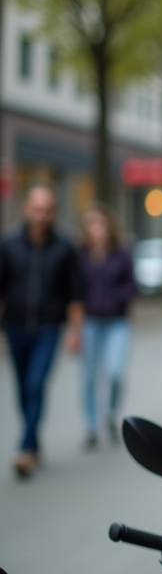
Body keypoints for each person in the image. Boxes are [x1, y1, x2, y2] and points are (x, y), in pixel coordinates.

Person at [0, 185, 83, 477]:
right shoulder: (9, 244)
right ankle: (33, 441)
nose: (41, 215)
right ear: (26, 209)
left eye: (47, 210)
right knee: (23, 387)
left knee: (36, 384)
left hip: (49, 326)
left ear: (54, 213)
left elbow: (74, 292)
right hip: (15, 325)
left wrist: (75, 331)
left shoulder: (64, 247)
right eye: (36, 209)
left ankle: (25, 447)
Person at [77, 202, 137, 448]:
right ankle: (91, 426)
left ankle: (110, 414)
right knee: (89, 376)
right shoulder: (79, 255)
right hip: (90, 321)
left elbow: (133, 285)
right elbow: (72, 287)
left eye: (100, 224)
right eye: (91, 224)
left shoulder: (121, 254)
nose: (96, 229)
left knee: (115, 372)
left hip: (117, 321)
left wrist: (116, 298)